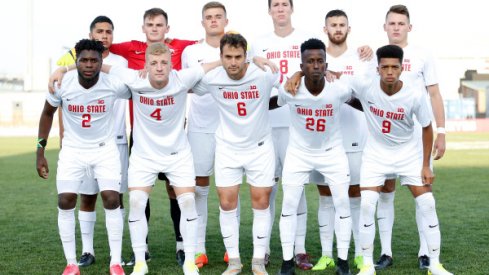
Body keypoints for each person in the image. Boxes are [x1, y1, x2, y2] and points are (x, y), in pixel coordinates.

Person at [105, 42, 220, 275]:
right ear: (146, 64)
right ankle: (140, 262)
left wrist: (250, 61)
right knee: (137, 202)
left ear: (171, 64)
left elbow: (213, 65)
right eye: (154, 63)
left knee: (188, 202)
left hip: (177, 154)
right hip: (144, 155)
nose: (159, 67)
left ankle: (189, 260)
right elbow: (101, 67)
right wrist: (63, 70)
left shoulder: (182, 78)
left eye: (164, 62)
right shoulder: (134, 78)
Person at [350, 45, 452, 275]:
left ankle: (435, 264)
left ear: (402, 68)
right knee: (367, 203)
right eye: (384, 67)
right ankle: (367, 265)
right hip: (376, 154)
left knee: (427, 203)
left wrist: (425, 164)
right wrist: (298, 75)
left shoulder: (414, 94)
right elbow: (334, 82)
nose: (389, 71)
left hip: (408, 153)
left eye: (394, 67)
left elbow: (427, 128)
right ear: (377, 69)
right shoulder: (365, 86)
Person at [110, 8, 197, 266]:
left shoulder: (181, 50)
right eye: (150, 24)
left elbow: (210, 48)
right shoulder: (131, 51)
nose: (155, 28)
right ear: (143, 27)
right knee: (138, 197)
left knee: (177, 193)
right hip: (142, 138)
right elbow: (100, 52)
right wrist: (66, 65)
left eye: (160, 24)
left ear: (167, 28)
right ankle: (142, 251)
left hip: (174, 138)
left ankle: (183, 246)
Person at [36, 39, 129, 275]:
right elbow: (47, 114)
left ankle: (115, 262)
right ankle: (71, 264)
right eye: (83, 60)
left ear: (101, 62)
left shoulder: (112, 83)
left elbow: (133, 78)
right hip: (73, 150)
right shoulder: (62, 83)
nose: (88, 65)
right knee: (65, 200)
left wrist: (67, 66)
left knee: (111, 199)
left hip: (104, 149)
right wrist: (40, 151)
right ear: (76, 61)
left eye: (94, 61)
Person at [192, 33, 281, 275]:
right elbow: (188, 78)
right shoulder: (213, 78)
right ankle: (234, 261)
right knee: (226, 203)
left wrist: (259, 60)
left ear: (246, 56)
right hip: (228, 148)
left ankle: (258, 261)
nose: (233, 62)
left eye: (238, 57)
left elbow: (288, 85)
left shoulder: (263, 74)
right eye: (228, 57)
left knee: (261, 203)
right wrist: (216, 64)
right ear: (220, 56)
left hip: (260, 148)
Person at [375, 5, 447, 271]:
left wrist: (441, 131)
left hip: (419, 135)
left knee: (423, 192)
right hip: (386, 136)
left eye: (400, 23)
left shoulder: (422, 55)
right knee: (385, 191)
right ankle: (385, 252)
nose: (396, 27)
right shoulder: (377, 57)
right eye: (391, 23)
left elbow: (435, 94)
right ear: (385, 27)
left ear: (409, 27)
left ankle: (425, 252)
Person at [276, 38, 353, 275]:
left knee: (342, 203)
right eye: (310, 61)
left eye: (320, 61)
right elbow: (279, 101)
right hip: (298, 153)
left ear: (326, 64)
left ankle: (342, 261)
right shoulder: (289, 89)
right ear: (302, 65)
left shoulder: (339, 89)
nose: (316, 65)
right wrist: (294, 76)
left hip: (332, 153)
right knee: (288, 204)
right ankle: (287, 262)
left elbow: (355, 90)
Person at [308, 10, 374, 271]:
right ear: (325, 29)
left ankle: (358, 253)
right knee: (325, 196)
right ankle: (326, 254)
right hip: (323, 138)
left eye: (341, 25)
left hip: (356, 135)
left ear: (349, 27)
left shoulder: (361, 57)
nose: (337, 28)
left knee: (355, 195)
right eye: (333, 25)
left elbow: (369, 95)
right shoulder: (315, 58)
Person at [180, 1, 227, 268]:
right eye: (208, 17)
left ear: (225, 21)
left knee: (227, 188)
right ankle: (198, 249)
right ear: (202, 22)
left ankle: (229, 247)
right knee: (199, 188)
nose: (213, 20)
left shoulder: (235, 46)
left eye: (218, 16)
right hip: (199, 126)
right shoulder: (191, 51)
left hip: (229, 128)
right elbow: (188, 83)